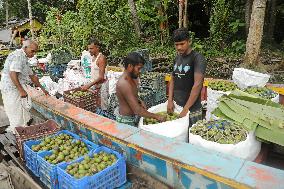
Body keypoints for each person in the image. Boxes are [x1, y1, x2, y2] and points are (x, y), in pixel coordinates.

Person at [0, 40, 49, 133]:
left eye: (35, 52)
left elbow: (32, 75)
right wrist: (21, 90)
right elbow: (12, 73)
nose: (34, 54)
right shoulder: (19, 56)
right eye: (32, 51)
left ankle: (23, 128)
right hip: (10, 88)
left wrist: (42, 88)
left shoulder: (24, 57)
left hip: (14, 87)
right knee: (15, 112)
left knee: (21, 110)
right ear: (25, 48)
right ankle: (18, 132)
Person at [167, 28, 206, 126]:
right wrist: (170, 100)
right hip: (177, 106)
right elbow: (173, 79)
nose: (179, 47)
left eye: (182, 44)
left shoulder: (197, 58)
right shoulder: (177, 58)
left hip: (192, 108)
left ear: (189, 41)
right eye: (176, 44)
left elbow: (197, 85)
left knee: (191, 136)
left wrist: (186, 108)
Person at [115, 52, 166, 126]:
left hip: (133, 117)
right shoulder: (124, 83)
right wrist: (156, 116)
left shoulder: (133, 78)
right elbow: (137, 110)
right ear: (130, 66)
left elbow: (131, 94)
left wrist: (139, 100)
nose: (140, 71)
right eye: (138, 68)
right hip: (126, 121)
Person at [81, 38, 109, 110]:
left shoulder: (101, 58)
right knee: (96, 105)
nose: (89, 50)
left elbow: (101, 77)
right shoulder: (93, 57)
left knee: (103, 106)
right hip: (95, 85)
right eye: (88, 49)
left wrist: (88, 85)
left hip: (102, 85)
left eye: (91, 48)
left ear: (97, 48)